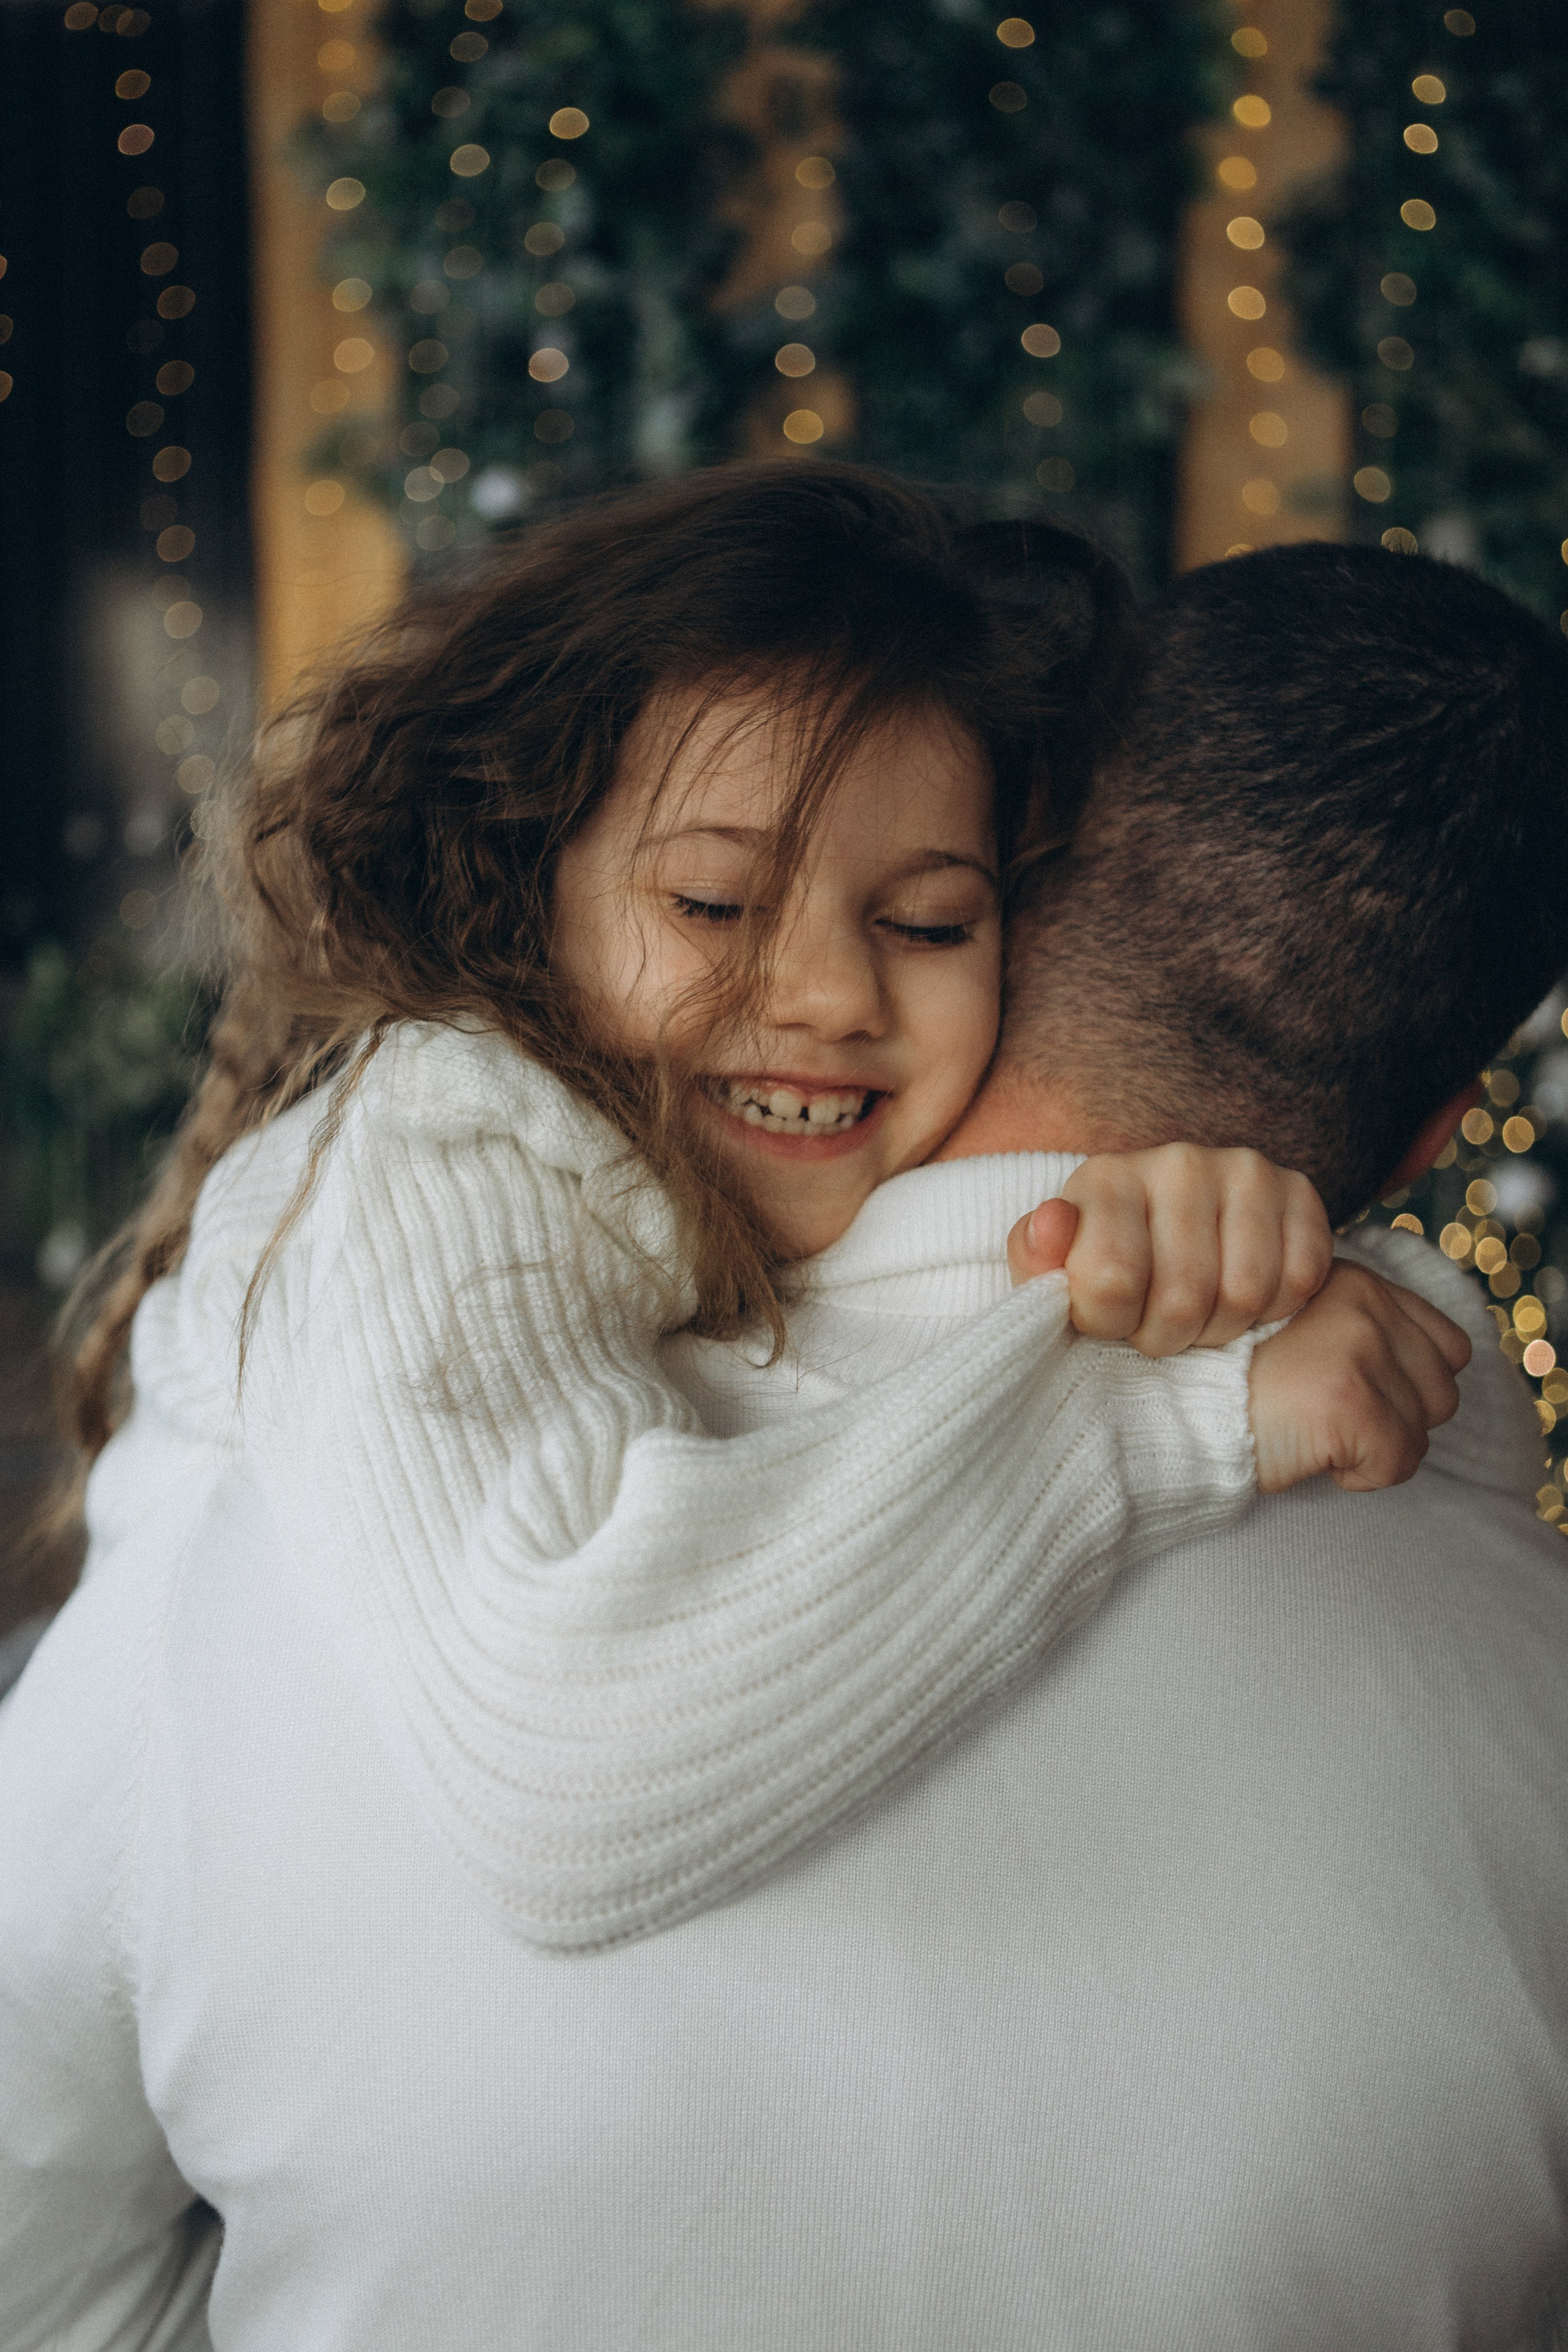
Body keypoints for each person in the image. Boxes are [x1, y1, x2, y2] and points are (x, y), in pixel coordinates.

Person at [0, 482, 1473, 2350]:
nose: (828, 994)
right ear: (517, 883)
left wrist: (1196, 1259)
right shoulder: (434, 1148)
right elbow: (572, 1756)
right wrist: (1173, 1418)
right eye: (714, 901)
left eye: (932, 925)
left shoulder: (741, 1219)